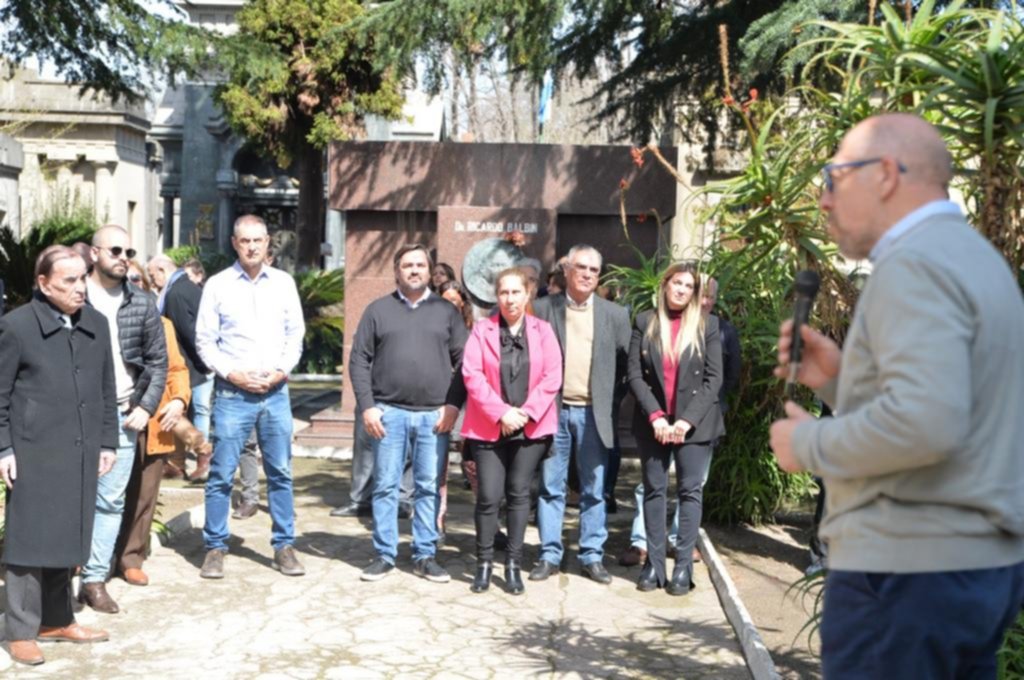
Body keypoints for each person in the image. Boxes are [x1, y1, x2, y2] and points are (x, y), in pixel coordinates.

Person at [770, 113, 1024, 678]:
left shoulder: (914, 265)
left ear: (884, 174)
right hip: (970, 569)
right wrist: (841, 380)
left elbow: (926, 425)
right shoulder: (975, 260)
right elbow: (959, 409)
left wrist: (807, 443)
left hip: (905, 573)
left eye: (834, 178)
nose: (824, 201)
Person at [0, 246, 116, 666]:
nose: (80, 287)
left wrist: (108, 442)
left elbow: (106, 389)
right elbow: (0, 393)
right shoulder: (15, 327)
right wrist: (3, 449)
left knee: (68, 534)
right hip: (32, 449)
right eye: (69, 280)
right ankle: (21, 630)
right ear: (43, 283)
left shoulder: (97, 325)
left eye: (83, 277)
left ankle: (57, 620)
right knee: (29, 540)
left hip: (81, 447)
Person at [349, 243, 467, 583]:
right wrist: (368, 406)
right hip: (388, 414)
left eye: (420, 265)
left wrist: (453, 406)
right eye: (407, 265)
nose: (414, 270)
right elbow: (358, 360)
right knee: (386, 487)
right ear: (396, 271)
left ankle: (425, 554)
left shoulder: (446, 312)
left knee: (428, 488)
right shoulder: (377, 310)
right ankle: (384, 554)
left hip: (434, 417)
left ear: (430, 271)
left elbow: (464, 362)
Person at [195, 215, 306, 579]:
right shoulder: (218, 285)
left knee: (281, 472)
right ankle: (214, 546)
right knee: (222, 474)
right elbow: (205, 341)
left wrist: (280, 371)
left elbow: (295, 336)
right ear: (234, 243)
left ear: (268, 242)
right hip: (232, 394)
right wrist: (232, 374)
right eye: (246, 241)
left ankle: (284, 545)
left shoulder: (284, 284)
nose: (253, 247)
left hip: (275, 392)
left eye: (259, 240)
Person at [621, 274, 742, 567]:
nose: (683, 290)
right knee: (653, 488)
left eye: (690, 287)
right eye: (678, 283)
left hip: (695, 423)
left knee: (691, 489)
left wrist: (688, 419)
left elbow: (718, 378)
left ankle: (683, 565)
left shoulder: (710, 326)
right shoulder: (645, 321)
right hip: (655, 423)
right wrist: (656, 416)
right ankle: (654, 564)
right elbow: (635, 374)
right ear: (665, 285)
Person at [530, 244, 631, 584]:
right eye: (581, 268)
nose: (587, 274)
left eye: (594, 270)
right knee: (551, 487)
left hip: (593, 414)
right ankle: (549, 554)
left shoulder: (615, 315)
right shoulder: (543, 308)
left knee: (594, 488)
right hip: (552, 412)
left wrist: (609, 401)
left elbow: (625, 366)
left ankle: (591, 556)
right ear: (567, 270)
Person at [79, 225, 167, 614]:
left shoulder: (142, 303)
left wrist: (145, 407)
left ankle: (94, 580)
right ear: (94, 253)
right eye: (115, 249)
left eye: (129, 250)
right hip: (75, 414)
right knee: (71, 495)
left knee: (111, 500)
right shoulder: (75, 297)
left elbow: (158, 361)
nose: (123, 256)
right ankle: (62, 573)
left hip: (122, 413)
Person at [461, 268, 562, 594]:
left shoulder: (543, 331)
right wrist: (502, 412)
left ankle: (514, 564)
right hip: (489, 426)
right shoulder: (481, 330)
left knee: (520, 495)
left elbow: (552, 377)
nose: (509, 298)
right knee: (489, 496)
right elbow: (471, 375)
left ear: (528, 294)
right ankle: (485, 563)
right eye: (504, 292)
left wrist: (526, 413)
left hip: (530, 428)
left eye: (516, 292)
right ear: (497, 296)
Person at [114, 315, 204, 586]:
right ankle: (90, 560)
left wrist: (178, 399)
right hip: (112, 418)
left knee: (144, 494)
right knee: (101, 494)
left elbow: (177, 368)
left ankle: (131, 559)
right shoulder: (97, 318)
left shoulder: (161, 324)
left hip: (154, 420)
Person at [147, 253, 214, 481]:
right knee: (175, 411)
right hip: (190, 362)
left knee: (171, 411)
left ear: (163, 271)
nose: (151, 280)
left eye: (152, 275)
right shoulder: (188, 287)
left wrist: (204, 363)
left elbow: (186, 332)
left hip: (184, 363)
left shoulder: (175, 292)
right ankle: (176, 463)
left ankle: (202, 450)